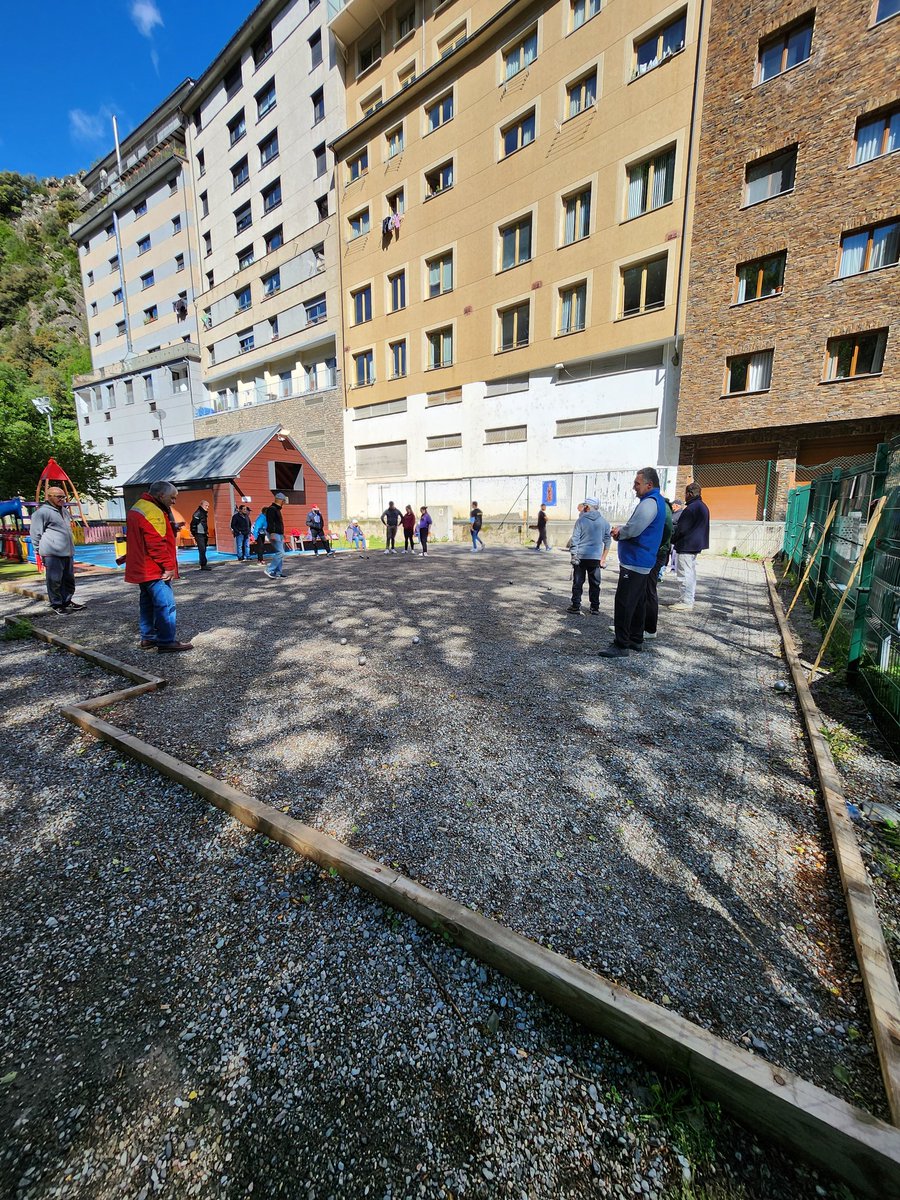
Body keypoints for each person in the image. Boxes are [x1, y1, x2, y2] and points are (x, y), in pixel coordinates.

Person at [599, 468, 667, 659]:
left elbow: (635, 528)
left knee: (624, 602)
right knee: (638, 602)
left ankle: (621, 644)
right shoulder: (658, 502)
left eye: (637, 484)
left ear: (649, 485)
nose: (634, 487)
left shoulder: (649, 503)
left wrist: (619, 533)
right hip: (643, 559)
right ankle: (636, 639)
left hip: (636, 560)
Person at [125, 480, 192, 652]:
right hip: (154, 568)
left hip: (142, 567)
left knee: (147, 603)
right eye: (172, 498)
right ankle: (166, 640)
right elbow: (156, 543)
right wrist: (168, 566)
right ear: (161, 495)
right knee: (166, 605)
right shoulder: (153, 512)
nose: (174, 501)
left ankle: (148, 637)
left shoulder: (140, 506)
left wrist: (171, 527)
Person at [30, 487, 84, 615]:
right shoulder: (41, 513)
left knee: (69, 579)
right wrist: (38, 550)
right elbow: (35, 533)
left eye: (63, 497)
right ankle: (56, 604)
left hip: (67, 551)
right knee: (54, 579)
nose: (62, 499)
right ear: (49, 496)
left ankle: (67, 601)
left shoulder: (64, 511)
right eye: (59, 497)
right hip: (52, 552)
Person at [665, 482, 711, 611]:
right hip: (694, 545)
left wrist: (671, 538)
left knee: (684, 573)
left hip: (686, 545)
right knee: (690, 573)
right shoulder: (702, 506)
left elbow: (681, 529)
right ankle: (687, 598)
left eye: (685, 493)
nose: (684, 496)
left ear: (690, 494)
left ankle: (686, 601)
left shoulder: (691, 508)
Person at [566, 498, 611, 616]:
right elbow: (607, 540)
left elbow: (575, 539)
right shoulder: (604, 522)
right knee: (595, 583)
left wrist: (573, 554)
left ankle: (576, 605)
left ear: (587, 507)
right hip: (595, 557)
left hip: (581, 556)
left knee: (578, 582)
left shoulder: (581, 521)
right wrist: (603, 557)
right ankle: (594, 607)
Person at [643, 496, 674, 641]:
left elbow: (668, 530)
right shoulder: (658, 505)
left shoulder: (661, 506)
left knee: (649, 589)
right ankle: (637, 625)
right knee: (642, 589)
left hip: (656, 552)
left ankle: (649, 628)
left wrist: (655, 546)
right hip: (652, 551)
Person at [263, 493, 287, 579]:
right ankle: (269, 569)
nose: (284, 502)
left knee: (280, 553)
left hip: (279, 533)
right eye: (284, 501)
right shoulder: (272, 509)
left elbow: (278, 523)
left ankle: (278, 572)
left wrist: (282, 533)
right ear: (280, 500)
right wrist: (272, 533)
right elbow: (271, 522)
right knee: (280, 552)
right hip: (274, 533)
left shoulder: (277, 509)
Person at [190, 500, 211, 571]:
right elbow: (193, 523)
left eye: (208, 506)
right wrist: (193, 532)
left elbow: (204, 524)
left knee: (204, 549)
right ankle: (203, 565)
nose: (207, 507)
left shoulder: (203, 513)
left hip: (203, 533)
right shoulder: (198, 513)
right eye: (206, 506)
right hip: (199, 534)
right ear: (201, 505)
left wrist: (206, 532)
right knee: (202, 549)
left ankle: (203, 564)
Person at [668, 499, 684, 573]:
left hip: (675, 538)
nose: (671, 506)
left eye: (672, 505)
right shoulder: (672, 513)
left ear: (677, 506)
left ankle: (674, 568)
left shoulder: (681, 514)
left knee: (674, 554)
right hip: (670, 537)